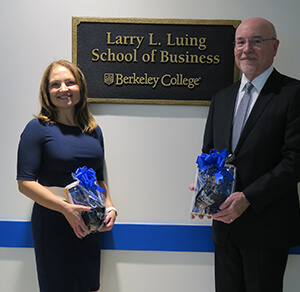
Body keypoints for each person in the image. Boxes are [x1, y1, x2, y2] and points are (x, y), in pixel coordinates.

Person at [190, 17, 300, 292]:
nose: (246, 48)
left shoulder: (293, 94)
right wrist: (204, 191)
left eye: (256, 41)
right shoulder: (222, 98)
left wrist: (248, 198)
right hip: (224, 230)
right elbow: (209, 154)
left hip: (267, 230)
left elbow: (295, 161)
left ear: (274, 47)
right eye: (240, 42)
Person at [17, 60, 117, 292]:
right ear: (47, 92)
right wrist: (65, 209)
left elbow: (99, 179)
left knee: (87, 285)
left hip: (89, 221)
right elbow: (25, 183)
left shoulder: (93, 131)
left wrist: (110, 208)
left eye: (70, 83)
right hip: (53, 221)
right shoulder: (38, 128)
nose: (64, 89)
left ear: (80, 87)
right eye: (56, 84)